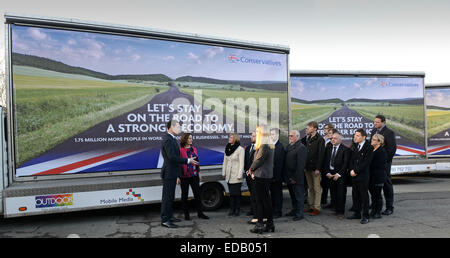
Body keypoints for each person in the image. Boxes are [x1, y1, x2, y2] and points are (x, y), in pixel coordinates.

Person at [160, 120, 198, 228]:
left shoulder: (171, 139)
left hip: (172, 173)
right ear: (171, 127)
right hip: (169, 173)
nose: (179, 128)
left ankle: (169, 216)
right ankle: (165, 219)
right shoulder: (168, 139)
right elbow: (172, 157)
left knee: (170, 197)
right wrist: (187, 160)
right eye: (178, 126)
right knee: (167, 198)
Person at [249, 125, 275, 234]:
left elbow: (258, 160)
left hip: (261, 176)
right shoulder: (269, 145)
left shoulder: (264, 146)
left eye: (257, 131)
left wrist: (250, 169)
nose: (255, 133)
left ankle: (260, 225)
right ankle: (269, 224)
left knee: (260, 201)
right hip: (265, 176)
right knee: (266, 201)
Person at [369, 114, 397, 215]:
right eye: (374, 121)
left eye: (377, 122)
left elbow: (392, 149)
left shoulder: (389, 133)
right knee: (374, 186)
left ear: (383, 123)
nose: (375, 123)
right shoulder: (373, 131)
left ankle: (389, 207)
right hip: (375, 164)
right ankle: (375, 204)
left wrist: (383, 161)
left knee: (386, 185)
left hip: (384, 164)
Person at [179, 133, 209, 220]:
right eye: (189, 138)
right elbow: (178, 163)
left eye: (191, 138)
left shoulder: (194, 149)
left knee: (197, 195)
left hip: (194, 175)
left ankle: (200, 213)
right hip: (184, 176)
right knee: (184, 196)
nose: (191, 140)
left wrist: (199, 172)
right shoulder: (180, 150)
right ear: (185, 139)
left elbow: (197, 162)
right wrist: (178, 176)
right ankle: (186, 215)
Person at [347, 129, 374, 224]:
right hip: (354, 175)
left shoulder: (369, 147)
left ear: (364, 137)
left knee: (364, 196)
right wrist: (351, 170)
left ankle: (365, 216)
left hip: (362, 175)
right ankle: (357, 213)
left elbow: (366, 162)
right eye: (355, 135)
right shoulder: (355, 146)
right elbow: (352, 160)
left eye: (358, 135)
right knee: (355, 194)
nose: (355, 137)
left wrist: (356, 171)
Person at [322, 131, 350, 218]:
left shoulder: (345, 149)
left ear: (340, 140)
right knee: (333, 193)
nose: (332, 140)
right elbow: (325, 161)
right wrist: (327, 173)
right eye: (332, 138)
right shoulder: (328, 148)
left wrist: (339, 174)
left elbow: (346, 164)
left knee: (341, 194)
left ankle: (341, 212)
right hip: (330, 174)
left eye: (335, 138)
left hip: (340, 175)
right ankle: (336, 209)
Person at [302, 121, 325, 216]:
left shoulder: (320, 139)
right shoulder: (307, 138)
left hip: (315, 168)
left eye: (309, 127)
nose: (307, 129)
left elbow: (321, 155)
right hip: (307, 167)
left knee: (316, 188)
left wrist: (318, 168)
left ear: (315, 128)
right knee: (310, 188)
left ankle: (317, 207)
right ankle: (311, 206)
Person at [284, 130, 307, 221]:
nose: (290, 137)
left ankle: (299, 214)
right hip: (289, 176)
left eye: (292, 136)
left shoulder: (301, 147)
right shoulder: (289, 146)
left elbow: (300, 166)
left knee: (299, 197)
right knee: (293, 196)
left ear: (298, 137)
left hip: (296, 177)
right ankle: (294, 211)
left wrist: (295, 178)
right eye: (289, 136)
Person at [222, 133, 245, 217]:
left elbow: (241, 163)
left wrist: (239, 175)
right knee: (231, 194)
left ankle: (237, 209)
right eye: (229, 137)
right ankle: (232, 209)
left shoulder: (240, 149)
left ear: (235, 139)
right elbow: (225, 162)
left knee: (236, 194)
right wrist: (223, 173)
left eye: (231, 137)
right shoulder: (227, 148)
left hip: (236, 175)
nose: (229, 138)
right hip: (229, 175)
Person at [369, 134, 387, 219]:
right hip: (371, 177)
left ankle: (378, 212)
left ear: (379, 142)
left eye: (374, 139)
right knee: (373, 195)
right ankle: (373, 210)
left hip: (378, 177)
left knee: (377, 195)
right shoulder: (372, 150)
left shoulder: (382, 151)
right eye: (372, 139)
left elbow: (378, 164)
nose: (372, 141)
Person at [270, 128, 286, 218]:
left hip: (277, 176)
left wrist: (276, 177)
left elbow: (280, 164)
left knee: (277, 194)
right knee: (272, 194)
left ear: (277, 135)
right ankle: (273, 210)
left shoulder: (280, 147)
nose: (271, 136)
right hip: (270, 175)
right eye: (270, 134)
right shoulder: (270, 145)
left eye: (272, 134)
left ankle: (278, 211)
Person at [321, 128, 338, 207]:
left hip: (335, 170)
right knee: (328, 187)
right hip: (328, 169)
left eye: (330, 133)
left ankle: (335, 203)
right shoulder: (328, 144)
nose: (328, 134)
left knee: (335, 189)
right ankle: (331, 203)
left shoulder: (335, 145)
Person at [244, 131, 258, 223]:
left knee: (256, 194)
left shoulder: (259, 148)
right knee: (251, 194)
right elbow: (246, 161)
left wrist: (252, 171)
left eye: (253, 136)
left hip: (255, 175)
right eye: (251, 136)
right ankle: (252, 209)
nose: (251, 137)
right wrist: (246, 171)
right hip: (248, 175)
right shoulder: (248, 147)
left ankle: (257, 212)